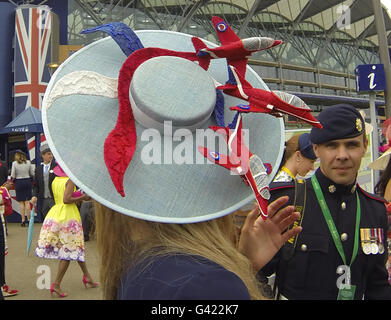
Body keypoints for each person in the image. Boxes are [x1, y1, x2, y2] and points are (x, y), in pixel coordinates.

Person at [262, 104, 391, 300]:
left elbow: (378, 286)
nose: (342, 155)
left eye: (352, 145)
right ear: (316, 149)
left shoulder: (374, 210)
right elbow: (255, 273)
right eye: (331, 145)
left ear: (364, 146)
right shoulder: (287, 201)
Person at [35, 164, 98, 298]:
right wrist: (83, 197)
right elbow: (67, 199)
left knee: (76, 248)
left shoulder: (55, 180)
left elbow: (61, 197)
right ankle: (56, 284)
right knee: (68, 250)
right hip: (69, 216)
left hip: (57, 212)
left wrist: (75, 195)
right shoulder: (70, 180)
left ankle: (87, 276)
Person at [31, 143, 56, 221]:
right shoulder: (38, 169)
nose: (51, 156)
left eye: (51, 154)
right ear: (43, 155)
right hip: (43, 199)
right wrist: (34, 195)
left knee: (55, 219)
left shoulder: (56, 167)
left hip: (54, 198)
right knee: (46, 220)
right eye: (48, 154)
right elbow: (36, 185)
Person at [10, 150, 34, 226]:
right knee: (27, 202)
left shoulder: (14, 163)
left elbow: (13, 175)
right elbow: (32, 173)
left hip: (19, 182)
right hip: (27, 181)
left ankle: (23, 220)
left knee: (21, 203)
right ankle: (29, 219)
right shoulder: (28, 162)